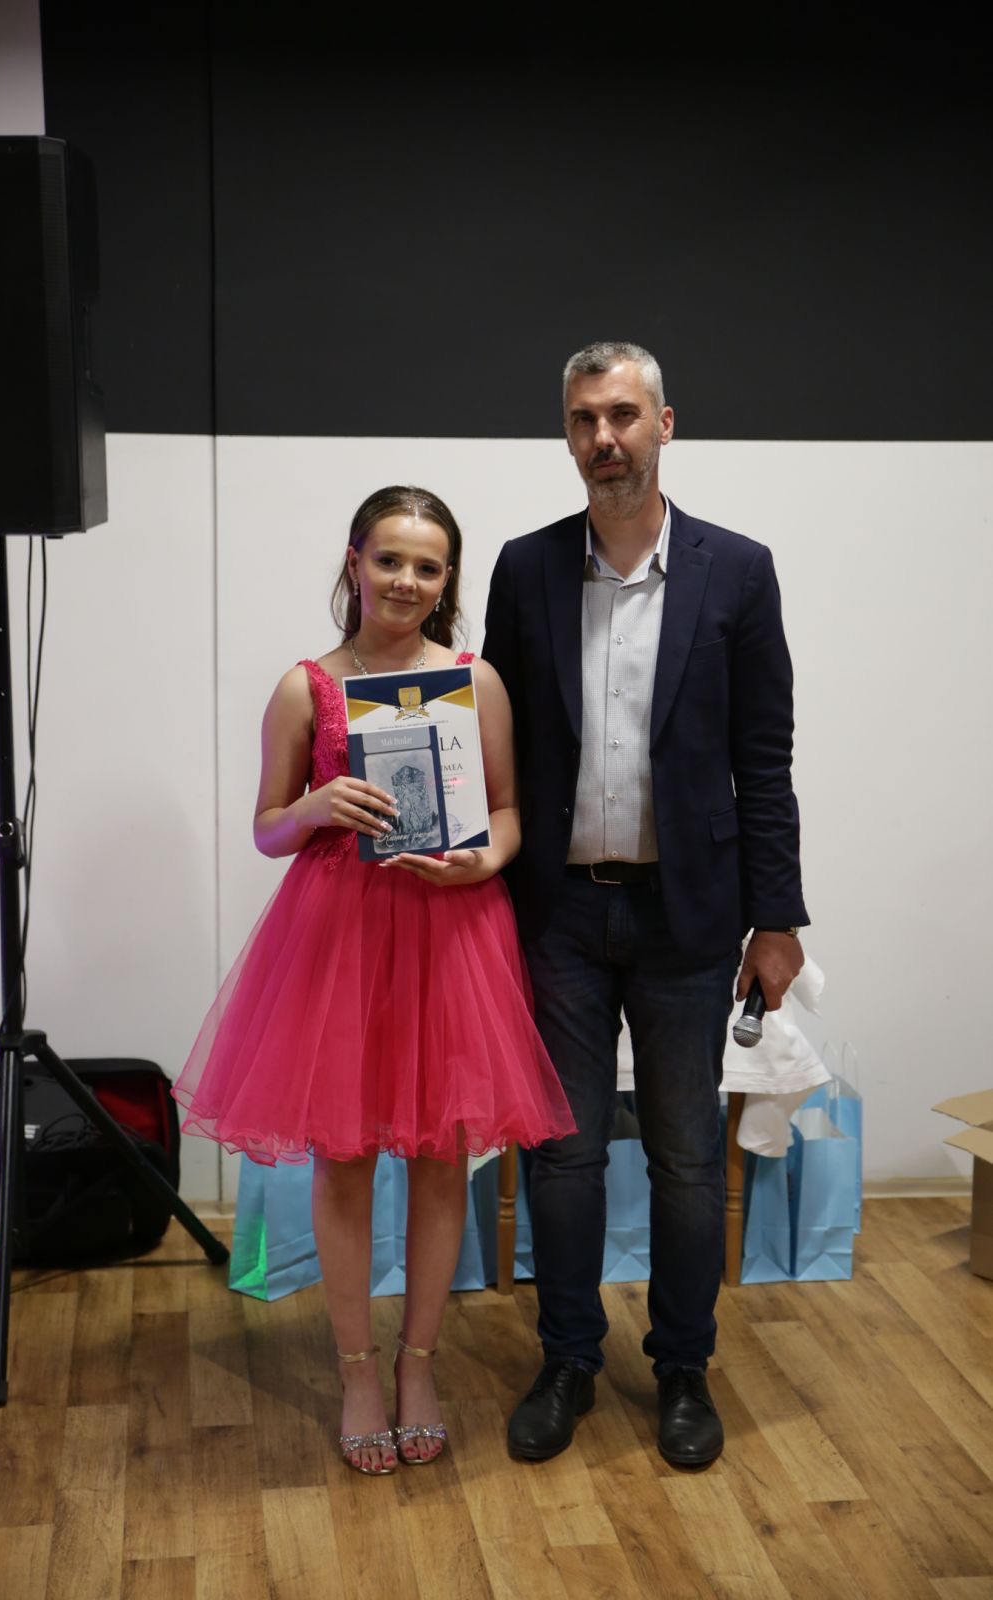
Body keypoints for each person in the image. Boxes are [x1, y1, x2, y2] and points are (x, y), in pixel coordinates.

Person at [173, 485, 575, 1476]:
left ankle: (417, 1363)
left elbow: (509, 810)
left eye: (426, 567)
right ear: (354, 561)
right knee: (344, 1161)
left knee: (441, 1158)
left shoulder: (474, 681)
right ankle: (357, 1370)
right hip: (339, 942)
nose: (405, 581)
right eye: (388, 559)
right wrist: (315, 806)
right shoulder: (306, 687)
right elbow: (268, 830)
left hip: (451, 933)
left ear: (447, 580)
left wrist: (487, 859)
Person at [482, 341, 808, 1469]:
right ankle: (568, 1358)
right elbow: (499, 746)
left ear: (666, 424)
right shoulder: (525, 570)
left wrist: (777, 919)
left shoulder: (739, 571)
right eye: (583, 419)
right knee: (565, 1156)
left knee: (684, 1158)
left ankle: (681, 1369)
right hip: (560, 916)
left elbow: (764, 758)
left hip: (689, 918)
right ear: (567, 434)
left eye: (622, 415)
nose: (603, 438)